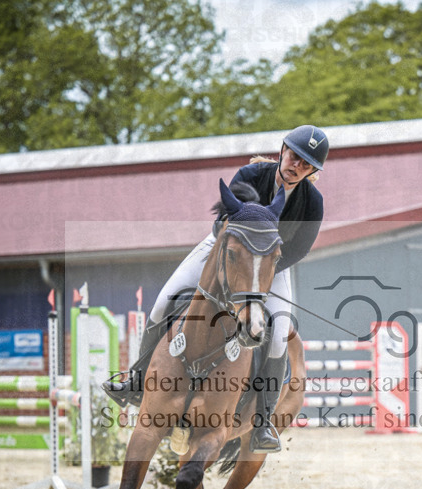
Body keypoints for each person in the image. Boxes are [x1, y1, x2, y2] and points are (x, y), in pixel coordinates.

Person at [110, 124, 328, 454]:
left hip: (272, 266)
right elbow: (220, 222)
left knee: (278, 334)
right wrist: (241, 262)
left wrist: (260, 272)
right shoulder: (252, 175)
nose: (296, 165)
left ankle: (263, 421)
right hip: (223, 251)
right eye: (294, 156)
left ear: (312, 171)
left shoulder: (312, 202)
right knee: (164, 301)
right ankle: (136, 380)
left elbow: (300, 249)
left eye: (305, 164)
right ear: (283, 150)